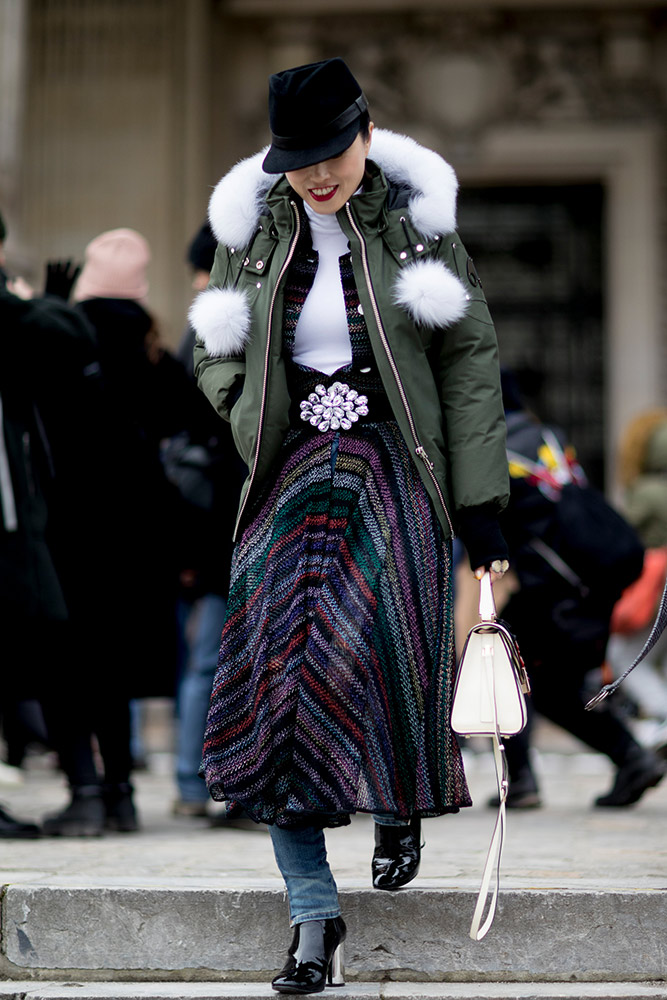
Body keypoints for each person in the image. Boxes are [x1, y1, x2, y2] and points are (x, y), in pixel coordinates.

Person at [190, 58, 510, 994]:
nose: (317, 174)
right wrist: (248, 410)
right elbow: (216, 343)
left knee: (377, 655)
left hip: (395, 466)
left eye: (331, 152)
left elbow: (468, 362)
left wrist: (481, 503)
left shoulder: (416, 226)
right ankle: (311, 919)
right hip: (290, 472)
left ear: (364, 133)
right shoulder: (249, 231)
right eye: (298, 159)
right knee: (272, 677)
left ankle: (393, 803)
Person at [495, 371, 666, 810]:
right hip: (589, 580)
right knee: (551, 684)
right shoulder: (547, 437)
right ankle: (631, 759)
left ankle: (524, 781)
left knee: (501, 662)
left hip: (553, 585)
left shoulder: (490, 447)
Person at [0, 208, 92, 838]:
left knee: (52, 648)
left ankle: (88, 788)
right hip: (12, 524)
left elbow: (64, 338)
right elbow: (65, 331)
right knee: (51, 650)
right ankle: (87, 787)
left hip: (17, 522)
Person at [168, 221, 246, 822]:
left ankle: (196, 784)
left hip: (213, 522)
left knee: (208, 658)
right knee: (214, 657)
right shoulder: (217, 325)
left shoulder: (204, 327)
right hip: (226, 521)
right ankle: (198, 783)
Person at [606, 409, 667, 751]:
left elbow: (621, 536)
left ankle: (662, 715)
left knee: (625, 657)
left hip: (656, 587)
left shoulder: (645, 492)